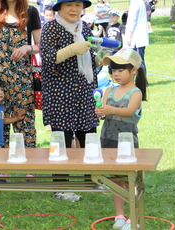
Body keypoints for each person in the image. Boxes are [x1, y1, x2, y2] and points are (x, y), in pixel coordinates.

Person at [40, 0, 101, 201]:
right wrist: (71, 49)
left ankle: (91, 180)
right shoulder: (50, 27)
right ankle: (61, 187)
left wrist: (100, 58)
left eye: (78, 5)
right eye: (69, 5)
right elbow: (47, 60)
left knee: (88, 135)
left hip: (84, 90)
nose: (74, 9)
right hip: (60, 92)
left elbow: (91, 56)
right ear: (59, 8)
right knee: (62, 140)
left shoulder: (84, 26)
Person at [96, 48, 147, 230]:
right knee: (115, 181)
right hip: (108, 140)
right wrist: (100, 112)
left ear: (133, 70)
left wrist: (110, 110)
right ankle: (119, 215)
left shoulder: (136, 92)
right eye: (113, 71)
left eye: (120, 70)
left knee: (128, 180)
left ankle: (133, 217)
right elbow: (104, 114)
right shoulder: (109, 90)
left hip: (126, 144)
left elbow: (128, 112)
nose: (116, 74)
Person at [0, 0, 41, 148]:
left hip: (22, 77)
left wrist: (27, 47)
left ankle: (28, 166)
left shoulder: (31, 11)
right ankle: (1, 166)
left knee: (25, 121)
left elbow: (41, 45)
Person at [125, 0, 149, 73]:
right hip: (139, 37)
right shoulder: (140, 3)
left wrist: (129, 36)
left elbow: (133, 21)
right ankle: (141, 81)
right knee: (138, 60)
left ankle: (142, 81)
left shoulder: (135, 4)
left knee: (137, 61)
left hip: (136, 38)